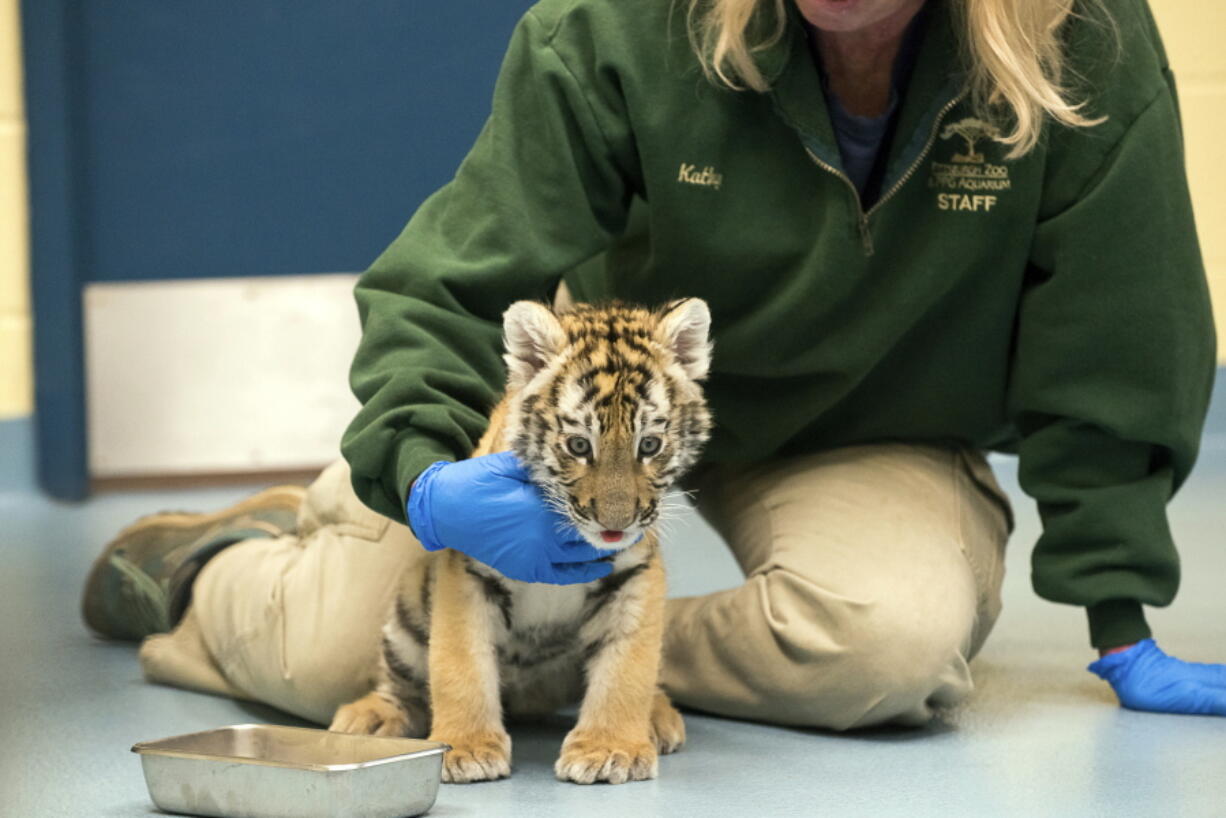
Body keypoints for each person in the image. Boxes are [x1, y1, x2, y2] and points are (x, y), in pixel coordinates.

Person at [83, 0, 1226, 728]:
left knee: (883, 642)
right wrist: (422, 470)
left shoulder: (1085, 45)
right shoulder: (620, 25)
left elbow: (1117, 342)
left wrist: (1116, 618)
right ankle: (214, 562)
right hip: (602, 420)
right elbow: (442, 280)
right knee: (346, 654)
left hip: (869, 431)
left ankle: (563, 653)